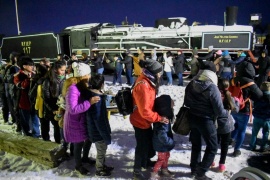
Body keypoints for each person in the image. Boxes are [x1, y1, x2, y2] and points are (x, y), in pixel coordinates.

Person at [184, 61, 229, 180]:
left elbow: (186, 102)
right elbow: (219, 111)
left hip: (192, 117)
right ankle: (201, 172)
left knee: (196, 144)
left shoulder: (192, 83)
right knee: (213, 147)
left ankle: (194, 168)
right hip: (206, 121)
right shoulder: (212, 87)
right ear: (212, 73)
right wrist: (227, 112)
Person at [130, 59, 169, 180]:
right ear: (152, 72)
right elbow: (145, 111)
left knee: (146, 143)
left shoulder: (148, 80)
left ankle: (145, 162)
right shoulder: (143, 85)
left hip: (145, 120)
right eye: (158, 72)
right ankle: (136, 170)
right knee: (141, 145)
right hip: (140, 120)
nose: (160, 75)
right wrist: (159, 118)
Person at [63, 62, 98, 175]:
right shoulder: (73, 88)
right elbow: (73, 109)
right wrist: (89, 102)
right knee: (78, 145)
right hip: (74, 122)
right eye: (88, 74)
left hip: (82, 119)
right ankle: (78, 165)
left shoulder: (82, 85)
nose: (90, 76)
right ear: (82, 76)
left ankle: (85, 158)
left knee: (88, 139)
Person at [230, 59, 263, 157]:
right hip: (245, 110)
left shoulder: (233, 79)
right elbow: (259, 95)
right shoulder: (251, 83)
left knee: (236, 124)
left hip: (234, 108)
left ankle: (230, 139)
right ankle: (237, 149)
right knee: (242, 130)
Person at [85, 74, 114, 177]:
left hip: (94, 128)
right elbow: (99, 119)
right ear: (102, 84)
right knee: (101, 150)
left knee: (102, 149)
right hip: (98, 131)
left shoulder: (91, 94)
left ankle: (102, 165)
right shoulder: (97, 99)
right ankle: (99, 169)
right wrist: (105, 134)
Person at [213, 78, 239, 172]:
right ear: (228, 87)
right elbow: (236, 109)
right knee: (224, 145)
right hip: (226, 125)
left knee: (214, 144)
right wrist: (237, 102)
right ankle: (222, 165)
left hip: (215, 124)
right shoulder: (230, 97)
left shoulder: (214, 96)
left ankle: (211, 160)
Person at [13, 56, 40, 137]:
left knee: (35, 119)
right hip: (23, 102)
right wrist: (29, 79)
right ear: (24, 66)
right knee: (25, 120)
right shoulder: (18, 76)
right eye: (30, 65)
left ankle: (36, 134)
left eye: (33, 65)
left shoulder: (34, 74)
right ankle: (27, 134)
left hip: (33, 101)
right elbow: (21, 86)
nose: (32, 67)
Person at [150, 94, 175, 180]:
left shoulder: (162, 116)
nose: (173, 105)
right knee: (161, 159)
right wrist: (170, 142)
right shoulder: (164, 120)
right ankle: (154, 173)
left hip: (163, 145)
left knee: (166, 156)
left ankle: (164, 169)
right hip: (162, 144)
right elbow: (162, 135)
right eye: (171, 104)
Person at [42, 60, 66, 143]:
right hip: (53, 110)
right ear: (55, 69)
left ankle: (63, 146)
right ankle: (58, 147)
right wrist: (53, 110)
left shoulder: (65, 79)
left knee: (63, 128)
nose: (64, 72)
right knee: (57, 128)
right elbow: (45, 98)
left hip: (63, 108)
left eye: (64, 70)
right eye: (62, 70)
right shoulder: (48, 81)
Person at [249, 82, 270, 152]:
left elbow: (253, 103)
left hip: (257, 117)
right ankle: (264, 146)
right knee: (266, 132)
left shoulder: (258, 95)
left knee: (254, 132)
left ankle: (252, 145)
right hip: (267, 118)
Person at [34, 64, 49, 141]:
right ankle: (46, 138)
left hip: (40, 105)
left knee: (44, 124)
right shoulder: (41, 81)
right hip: (43, 105)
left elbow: (32, 94)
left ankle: (46, 138)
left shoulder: (36, 80)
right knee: (44, 123)